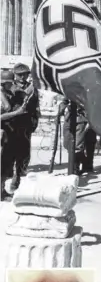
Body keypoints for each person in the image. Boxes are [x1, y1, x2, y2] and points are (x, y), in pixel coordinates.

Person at [10, 63, 40, 190]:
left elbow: (36, 106)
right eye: (20, 75)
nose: (23, 77)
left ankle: (18, 177)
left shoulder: (32, 88)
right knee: (10, 152)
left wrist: (35, 121)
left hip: (26, 124)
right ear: (15, 75)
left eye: (25, 74)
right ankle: (8, 177)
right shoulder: (9, 86)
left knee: (24, 151)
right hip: (11, 124)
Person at [1, 70, 27, 200]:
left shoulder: (6, 94)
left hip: (7, 133)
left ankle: (1, 190)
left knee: (6, 163)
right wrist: (17, 113)